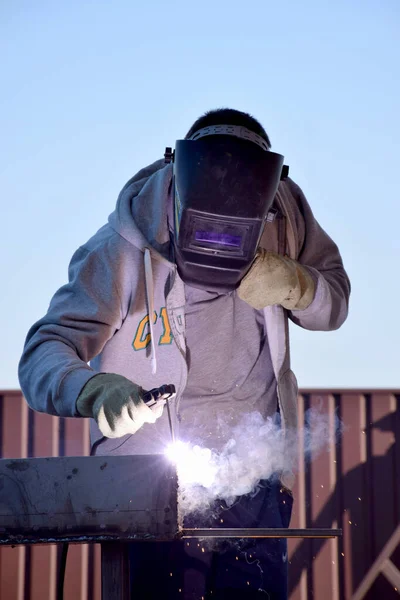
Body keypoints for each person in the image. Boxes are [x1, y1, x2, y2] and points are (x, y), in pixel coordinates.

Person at [18, 108, 351, 599]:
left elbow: (334, 304)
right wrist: (93, 388)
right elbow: (43, 353)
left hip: (253, 472)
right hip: (150, 481)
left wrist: (295, 282)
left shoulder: (287, 213)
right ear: (178, 188)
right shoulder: (120, 250)